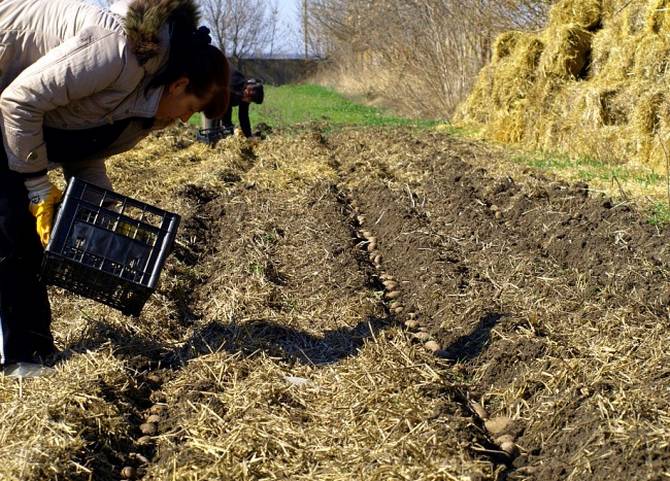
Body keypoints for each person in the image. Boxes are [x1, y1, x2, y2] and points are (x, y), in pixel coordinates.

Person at [0, 0, 230, 374]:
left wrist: (102, 217)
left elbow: (82, 145)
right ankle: (23, 358)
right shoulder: (117, 50)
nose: (186, 119)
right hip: (8, 93)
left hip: (19, 113)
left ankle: (31, 352)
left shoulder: (142, 109)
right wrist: (39, 187)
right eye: (190, 107)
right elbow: (18, 103)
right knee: (12, 225)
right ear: (180, 83)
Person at [199, 70, 264, 142]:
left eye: (250, 99)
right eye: (247, 91)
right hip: (211, 97)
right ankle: (206, 142)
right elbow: (226, 104)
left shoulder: (245, 98)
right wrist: (227, 124)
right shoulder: (234, 81)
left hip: (221, 104)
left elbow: (243, 116)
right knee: (211, 133)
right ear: (247, 86)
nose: (246, 95)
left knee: (221, 132)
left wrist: (249, 136)